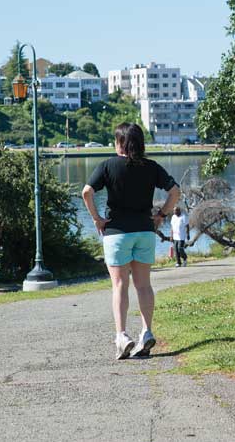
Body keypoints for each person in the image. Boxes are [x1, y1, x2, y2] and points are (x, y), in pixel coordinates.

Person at [81, 123, 180, 360]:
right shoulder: (151, 167)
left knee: (119, 285)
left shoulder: (107, 166)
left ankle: (122, 336)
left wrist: (97, 219)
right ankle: (146, 332)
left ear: (120, 143)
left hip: (116, 232)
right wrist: (161, 215)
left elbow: (86, 192)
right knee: (144, 285)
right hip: (145, 231)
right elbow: (175, 191)